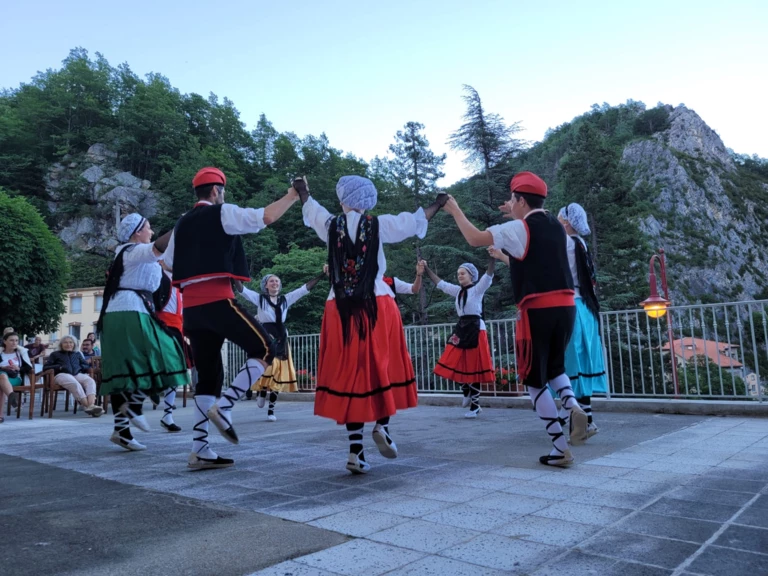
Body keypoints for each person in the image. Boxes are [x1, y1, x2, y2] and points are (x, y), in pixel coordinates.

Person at [299, 174, 447, 473]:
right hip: (376, 302)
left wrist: (302, 190)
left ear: (343, 201)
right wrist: (438, 204)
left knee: (351, 375)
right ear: (367, 202)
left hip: (338, 306)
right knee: (384, 367)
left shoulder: (330, 225)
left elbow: (309, 205)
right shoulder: (378, 225)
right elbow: (413, 221)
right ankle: (382, 425)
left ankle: (355, 451)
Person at [442, 171, 588, 467]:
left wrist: (454, 208)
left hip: (538, 310)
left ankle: (560, 448)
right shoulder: (556, 227)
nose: (509, 203)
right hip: (566, 307)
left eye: (512, 199)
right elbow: (532, 250)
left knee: (534, 382)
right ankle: (572, 405)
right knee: (556, 367)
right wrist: (515, 212)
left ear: (521, 200)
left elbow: (473, 238)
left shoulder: (519, 229)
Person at [165, 167, 299, 470]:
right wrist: (292, 195)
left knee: (208, 379)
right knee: (267, 348)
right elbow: (265, 217)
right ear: (216, 191)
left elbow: (169, 264)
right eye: (222, 191)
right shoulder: (222, 213)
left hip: (191, 311)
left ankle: (200, 450)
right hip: (217, 302)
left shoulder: (181, 224)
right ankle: (225, 407)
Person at [97, 213, 187, 452]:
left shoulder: (137, 255)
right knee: (165, 352)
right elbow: (157, 248)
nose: (151, 231)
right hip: (128, 310)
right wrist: (182, 223)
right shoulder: (131, 250)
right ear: (137, 232)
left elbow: (166, 256)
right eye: (148, 227)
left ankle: (121, 431)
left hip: (128, 311)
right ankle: (135, 404)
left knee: (124, 370)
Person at [237, 270, 325, 421]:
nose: (274, 283)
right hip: (265, 336)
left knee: (278, 371)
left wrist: (322, 274)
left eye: (277, 281)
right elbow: (242, 290)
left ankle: (271, 410)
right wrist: (233, 274)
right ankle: (262, 391)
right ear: (266, 285)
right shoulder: (260, 299)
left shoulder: (286, 299)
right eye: (271, 281)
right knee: (266, 367)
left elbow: (304, 289)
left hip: (281, 338)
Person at [556, 203, 606, 438]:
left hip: (570, 305)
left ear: (566, 222)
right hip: (586, 307)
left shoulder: (565, 243)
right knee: (582, 361)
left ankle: (573, 417)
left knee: (569, 361)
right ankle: (583, 417)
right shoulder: (581, 244)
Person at [424, 259, 496, 418]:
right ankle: (465, 390)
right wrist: (427, 268)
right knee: (453, 358)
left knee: (473, 365)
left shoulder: (478, 289)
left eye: (462, 273)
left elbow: (489, 274)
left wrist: (492, 256)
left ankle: (475, 406)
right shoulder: (457, 291)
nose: (459, 276)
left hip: (476, 328)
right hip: (462, 327)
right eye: (458, 274)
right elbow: (440, 283)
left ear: (471, 275)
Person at [151, 259, 193, 433]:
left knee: (177, 371)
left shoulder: (182, 283)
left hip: (177, 328)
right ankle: (151, 386)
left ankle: (167, 415)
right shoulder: (156, 275)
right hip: (161, 325)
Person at [44, 335, 103, 417]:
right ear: (61, 344)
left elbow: (86, 366)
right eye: (65, 342)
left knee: (90, 381)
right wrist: (59, 367)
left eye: (71, 342)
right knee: (74, 383)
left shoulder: (77, 354)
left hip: (76, 374)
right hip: (61, 375)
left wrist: (80, 367)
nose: (68, 344)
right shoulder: (55, 354)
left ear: (74, 344)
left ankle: (91, 404)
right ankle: (89, 406)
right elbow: (46, 367)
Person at [0, 332, 34, 421]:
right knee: (2, 377)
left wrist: (18, 368)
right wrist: (2, 367)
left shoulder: (21, 353)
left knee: (2, 379)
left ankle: (1, 415)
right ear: (5, 341)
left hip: (16, 378)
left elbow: (29, 368)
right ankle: (13, 399)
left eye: (16, 340)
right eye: (11, 340)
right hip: (3, 377)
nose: (14, 343)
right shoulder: (0, 353)